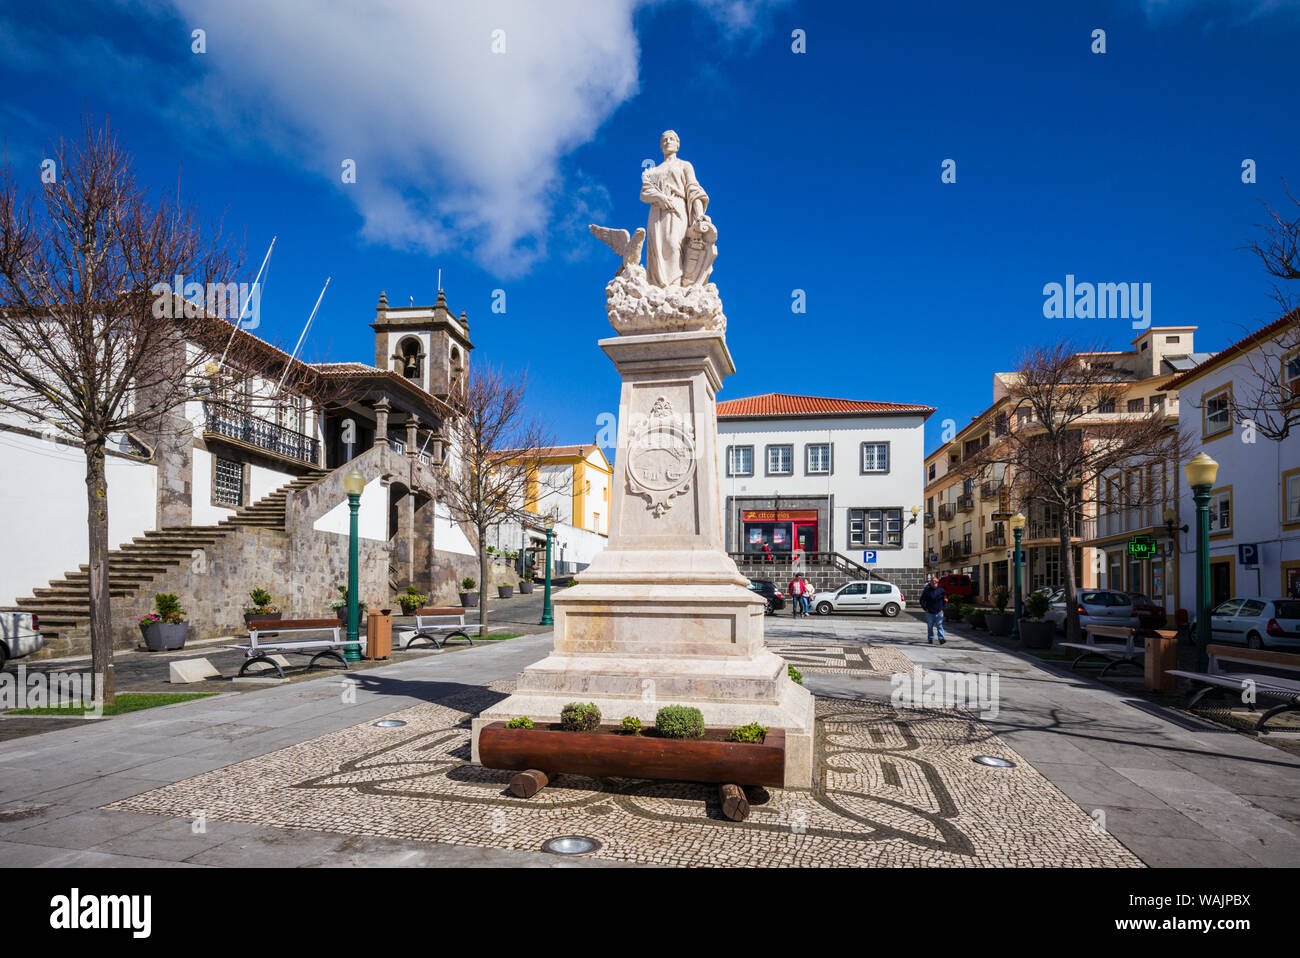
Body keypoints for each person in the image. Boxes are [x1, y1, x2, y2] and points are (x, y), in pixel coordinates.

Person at [919, 575, 947, 645]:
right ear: (930, 582)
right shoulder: (927, 590)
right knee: (930, 626)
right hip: (929, 612)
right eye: (932, 581)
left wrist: (943, 609)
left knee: (939, 625)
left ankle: (941, 639)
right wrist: (925, 608)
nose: (934, 582)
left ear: (938, 582)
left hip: (939, 612)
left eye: (935, 581)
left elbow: (945, 600)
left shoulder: (941, 590)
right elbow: (922, 600)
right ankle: (930, 638)